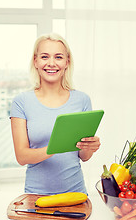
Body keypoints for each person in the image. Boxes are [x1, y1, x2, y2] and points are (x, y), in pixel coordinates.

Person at [10, 33, 101, 195]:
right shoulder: (21, 102)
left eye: (58, 57)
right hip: (35, 195)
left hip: (76, 194)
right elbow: (22, 156)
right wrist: (57, 146)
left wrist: (90, 147)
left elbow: (83, 156)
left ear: (67, 62)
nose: (51, 63)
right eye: (45, 57)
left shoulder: (82, 100)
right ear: (35, 61)